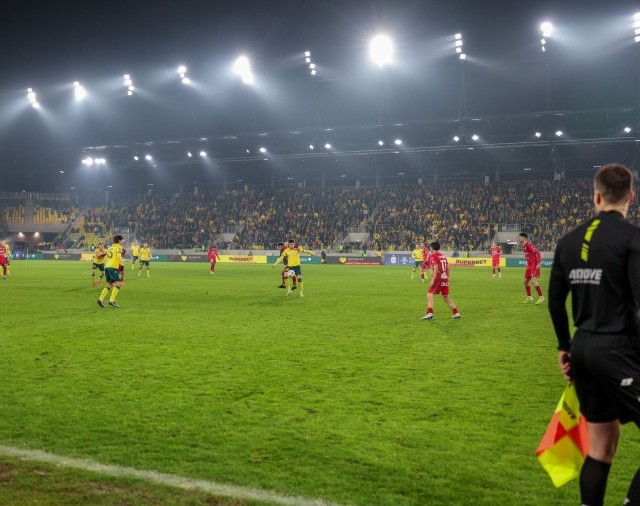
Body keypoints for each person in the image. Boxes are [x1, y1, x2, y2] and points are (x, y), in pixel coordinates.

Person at [548, 163, 640, 506]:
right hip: (620, 349)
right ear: (631, 197)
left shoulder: (567, 241)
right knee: (602, 443)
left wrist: (564, 346)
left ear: (596, 196)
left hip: (582, 348)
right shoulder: (632, 239)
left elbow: (555, 300)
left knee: (602, 445)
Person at [421, 241, 460, 320]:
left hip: (438, 278)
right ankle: (456, 313)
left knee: (429, 294)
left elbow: (435, 267)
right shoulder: (443, 256)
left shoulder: (433, 256)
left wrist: (432, 280)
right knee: (446, 297)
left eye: (430, 247)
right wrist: (447, 278)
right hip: (444, 278)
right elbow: (448, 267)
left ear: (432, 248)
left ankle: (430, 313)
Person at [98, 234, 124, 308]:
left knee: (109, 284)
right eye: (122, 240)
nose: (122, 242)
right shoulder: (119, 247)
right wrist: (122, 265)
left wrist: (107, 265)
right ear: (119, 241)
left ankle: (100, 299)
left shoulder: (110, 248)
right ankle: (112, 301)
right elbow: (119, 256)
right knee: (118, 284)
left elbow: (106, 258)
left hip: (107, 267)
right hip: (113, 267)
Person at [518, 232, 544, 304]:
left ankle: (541, 297)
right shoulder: (523, 246)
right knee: (525, 282)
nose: (518, 239)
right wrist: (527, 262)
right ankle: (529, 297)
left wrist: (538, 263)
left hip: (533, 264)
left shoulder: (529, 245)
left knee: (533, 281)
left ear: (524, 238)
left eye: (520, 237)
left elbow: (537, 253)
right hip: (529, 265)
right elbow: (529, 255)